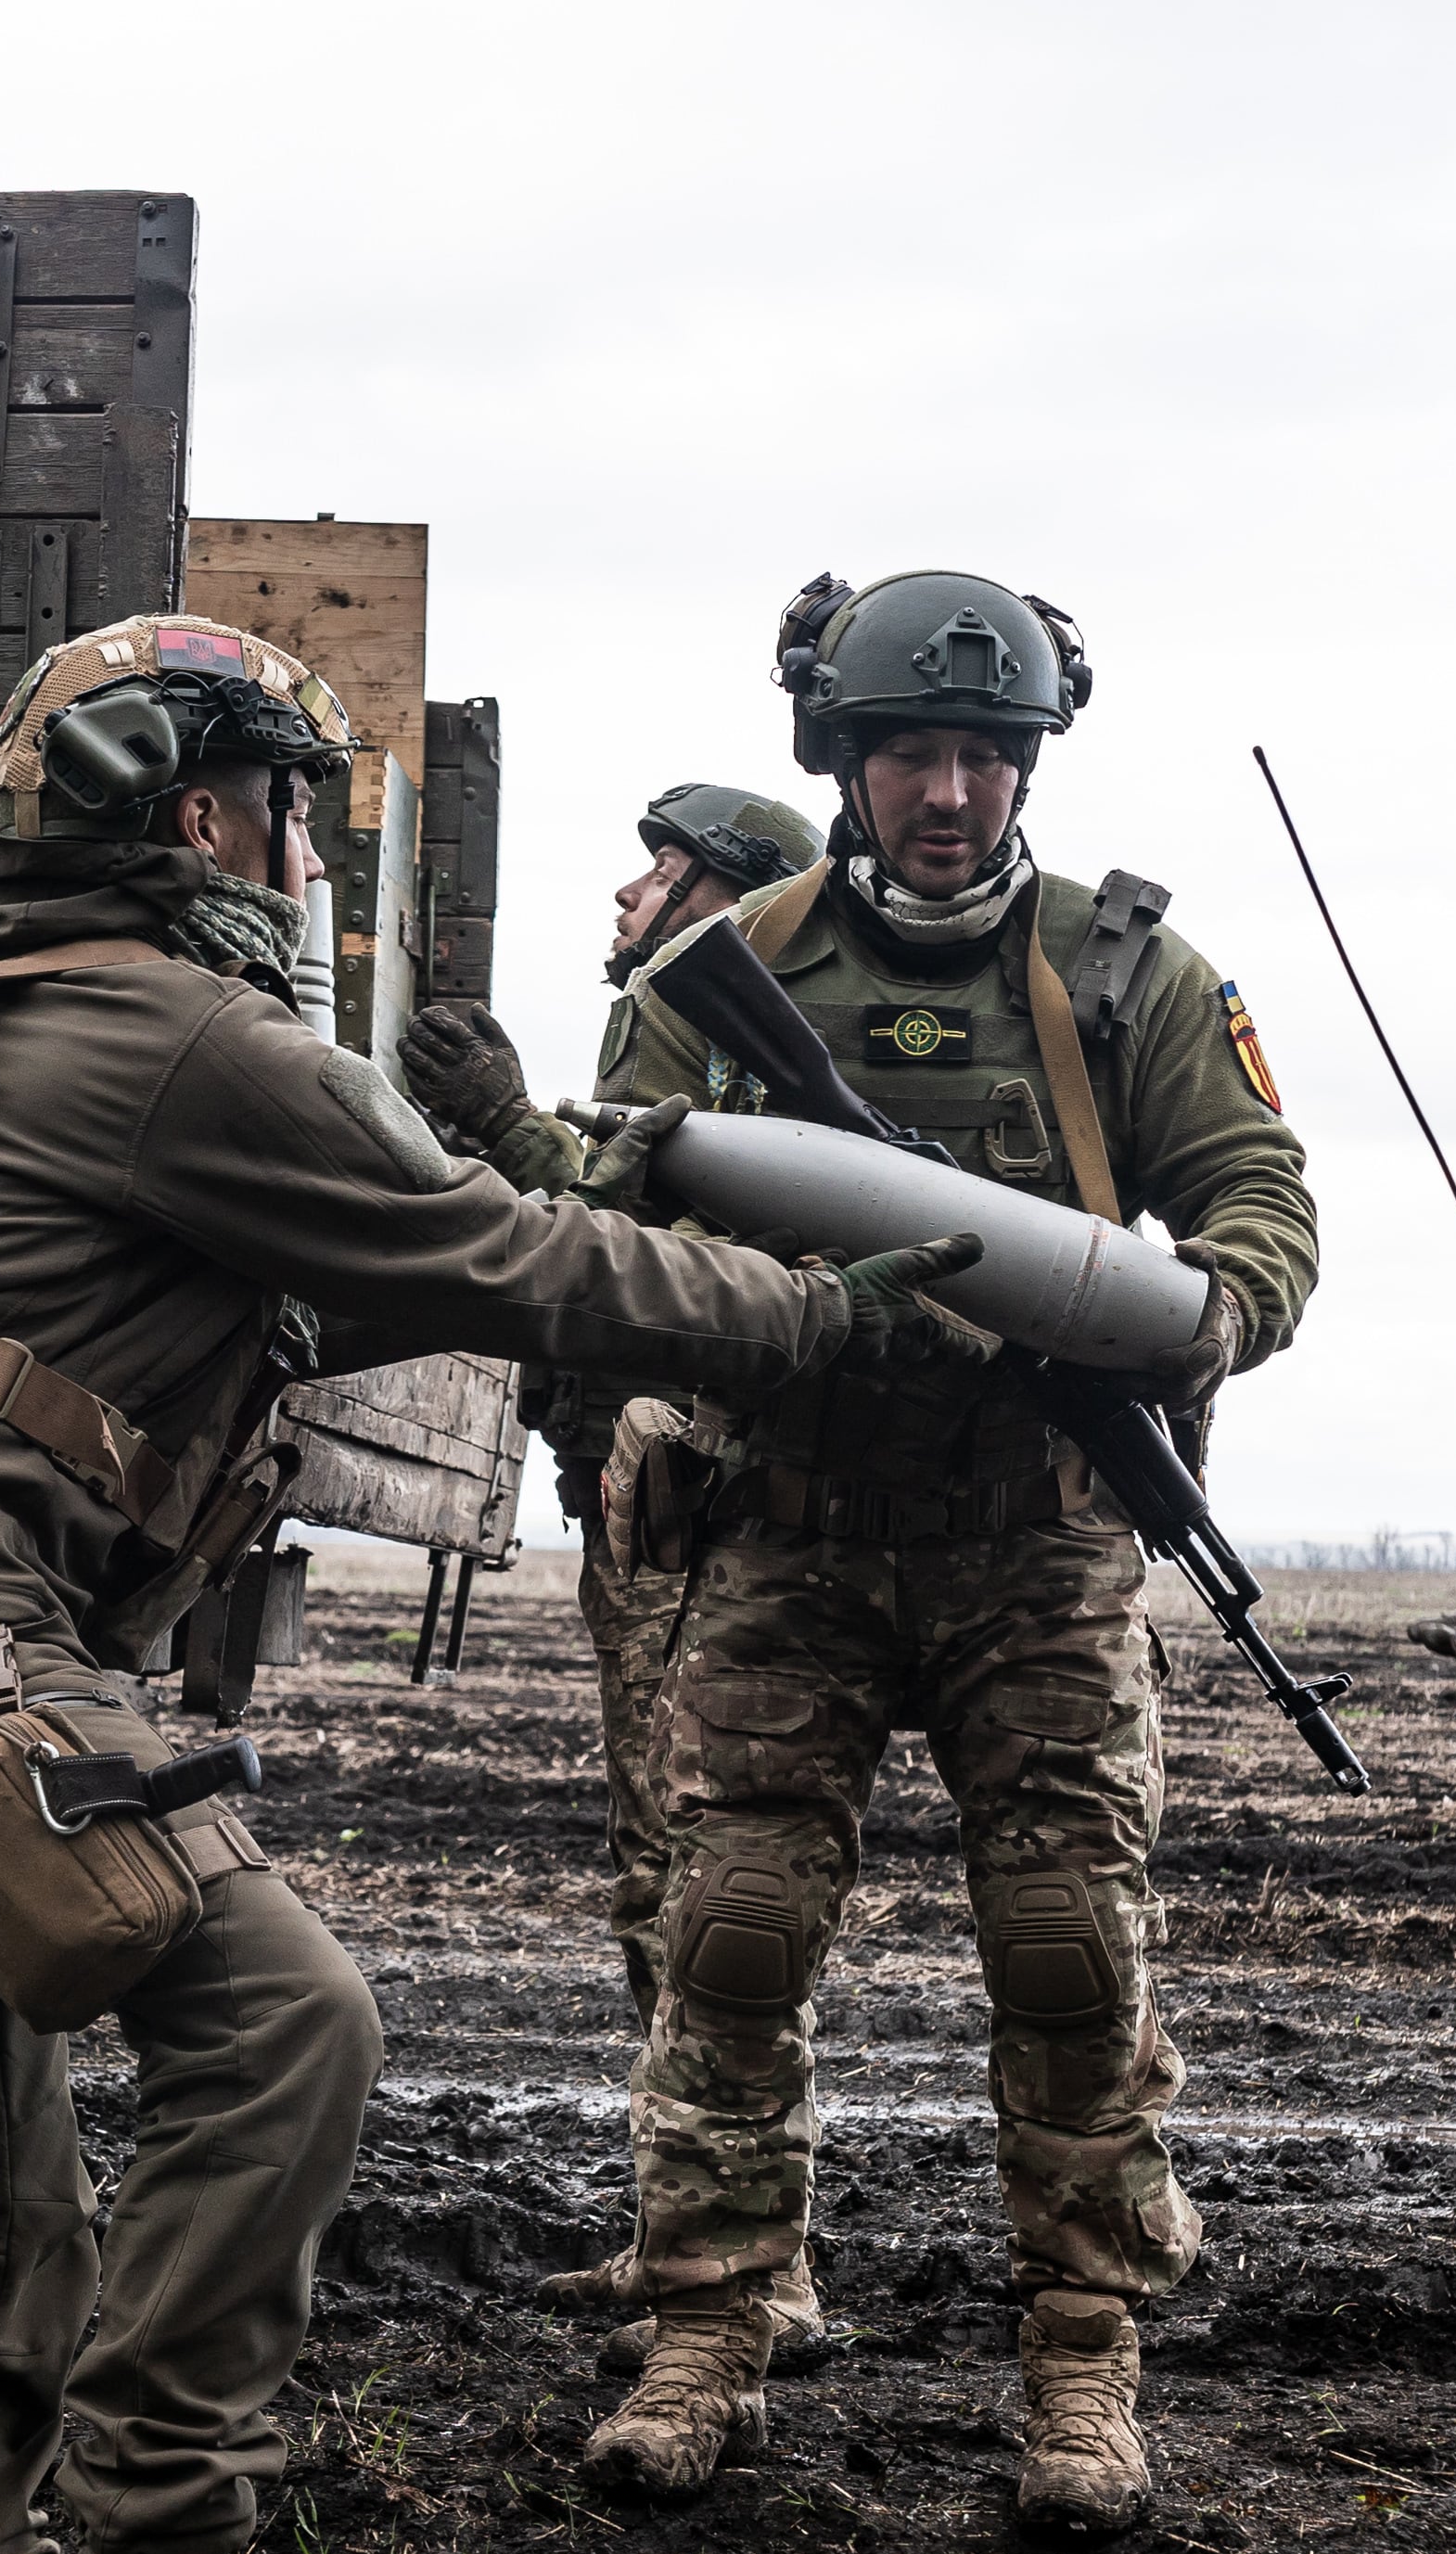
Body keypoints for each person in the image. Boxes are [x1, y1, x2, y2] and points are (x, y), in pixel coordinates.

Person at [0, 614, 988, 2554]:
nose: (301, 866)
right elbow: (504, 1253)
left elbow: (287, 1291)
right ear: (199, 816)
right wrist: (820, 1315)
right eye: (290, 817)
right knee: (288, 2030)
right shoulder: (186, 1043)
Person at [559, 569, 1319, 2535]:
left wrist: (1179, 1317)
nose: (954, 793)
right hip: (789, 1536)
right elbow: (608, 1218)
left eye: (989, 753)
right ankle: (707, 2326)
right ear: (845, 756)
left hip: (1036, 1548)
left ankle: (1083, 2361)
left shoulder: (1129, 975)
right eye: (915, 750)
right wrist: (788, 1308)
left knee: (1071, 1958)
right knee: (727, 1942)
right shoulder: (726, 972)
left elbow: (1258, 1206)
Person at [412, 784, 839, 2375]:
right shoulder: (667, 1038)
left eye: (668, 870)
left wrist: (517, 1132)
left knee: (707, 1884)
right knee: (653, 1877)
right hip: (636, 1506)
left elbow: (660, 1256)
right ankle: (694, 2236)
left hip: (703, 1500)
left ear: (740, 903)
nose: (629, 889)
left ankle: (755, 2271)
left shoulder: (753, 1062)